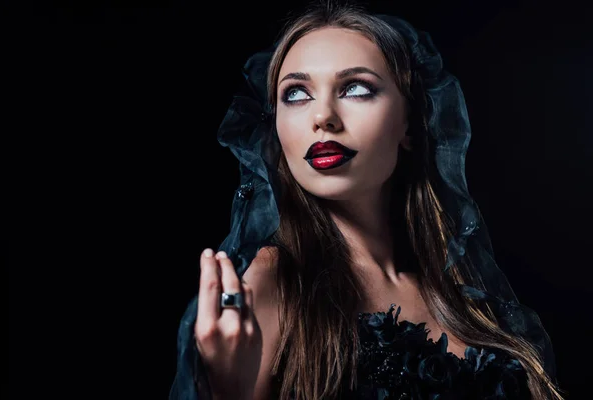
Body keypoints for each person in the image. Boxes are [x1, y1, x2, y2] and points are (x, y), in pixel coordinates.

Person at [170, 1, 563, 399]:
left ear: (409, 124)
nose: (323, 116)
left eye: (356, 88)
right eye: (296, 94)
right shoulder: (274, 279)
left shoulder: (459, 287)